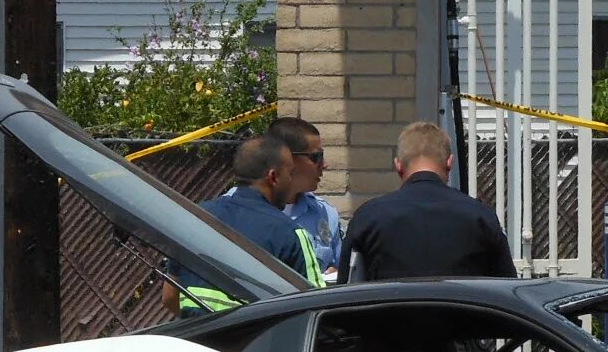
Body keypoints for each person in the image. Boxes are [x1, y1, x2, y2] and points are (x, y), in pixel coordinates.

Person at [339, 121, 518, 283]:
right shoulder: (481, 217)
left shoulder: (368, 217)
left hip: (389, 318)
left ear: (398, 165)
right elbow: (506, 290)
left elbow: (345, 293)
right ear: (450, 162)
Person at [167, 133, 326, 313]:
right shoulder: (290, 234)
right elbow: (316, 308)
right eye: (290, 174)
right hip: (258, 340)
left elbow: (170, 296)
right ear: (273, 177)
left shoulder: (195, 217)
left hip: (195, 337)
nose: (290, 181)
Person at [222, 116, 342, 281]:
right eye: (316, 157)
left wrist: (336, 273)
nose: (325, 164)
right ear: (287, 157)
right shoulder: (229, 212)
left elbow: (341, 266)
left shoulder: (325, 213)